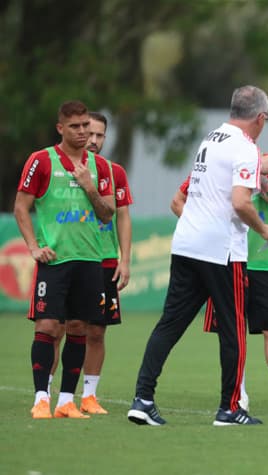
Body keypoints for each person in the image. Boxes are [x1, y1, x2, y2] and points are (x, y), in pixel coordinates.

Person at [127, 85, 268, 426]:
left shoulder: (213, 138)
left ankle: (143, 398)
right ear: (261, 118)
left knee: (170, 324)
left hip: (186, 246)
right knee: (234, 329)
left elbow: (261, 163)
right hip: (221, 251)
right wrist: (264, 230)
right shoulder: (244, 147)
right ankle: (230, 408)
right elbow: (241, 201)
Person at [171, 164, 268, 415]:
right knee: (232, 329)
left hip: (263, 263)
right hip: (226, 259)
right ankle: (239, 394)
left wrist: (257, 173)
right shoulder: (212, 169)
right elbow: (177, 202)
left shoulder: (265, 167)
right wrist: (204, 228)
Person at [15, 100, 116, 419]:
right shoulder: (41, 160)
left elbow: (107, 212)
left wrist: (89, 187)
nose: (83, 131)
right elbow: (21, 207)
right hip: (55, 260)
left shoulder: (99, 166)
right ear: (61, 128)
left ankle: (66, 402)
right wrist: (33, 247)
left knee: (78, 327)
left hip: (90, 259)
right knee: (47, 325)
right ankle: (41, 398)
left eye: (86, 125)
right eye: (75, 126)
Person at [77, 112, 132, 415]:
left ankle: (89, 396)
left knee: (96, 331)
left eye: (100, 136)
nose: (95, 141)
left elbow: (123, 216)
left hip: (104, 260)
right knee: (61, 327)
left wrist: (125, 259)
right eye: (90, 134)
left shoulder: (114, 172)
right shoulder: (57, 166)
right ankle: (45, 394)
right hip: (69, 258)